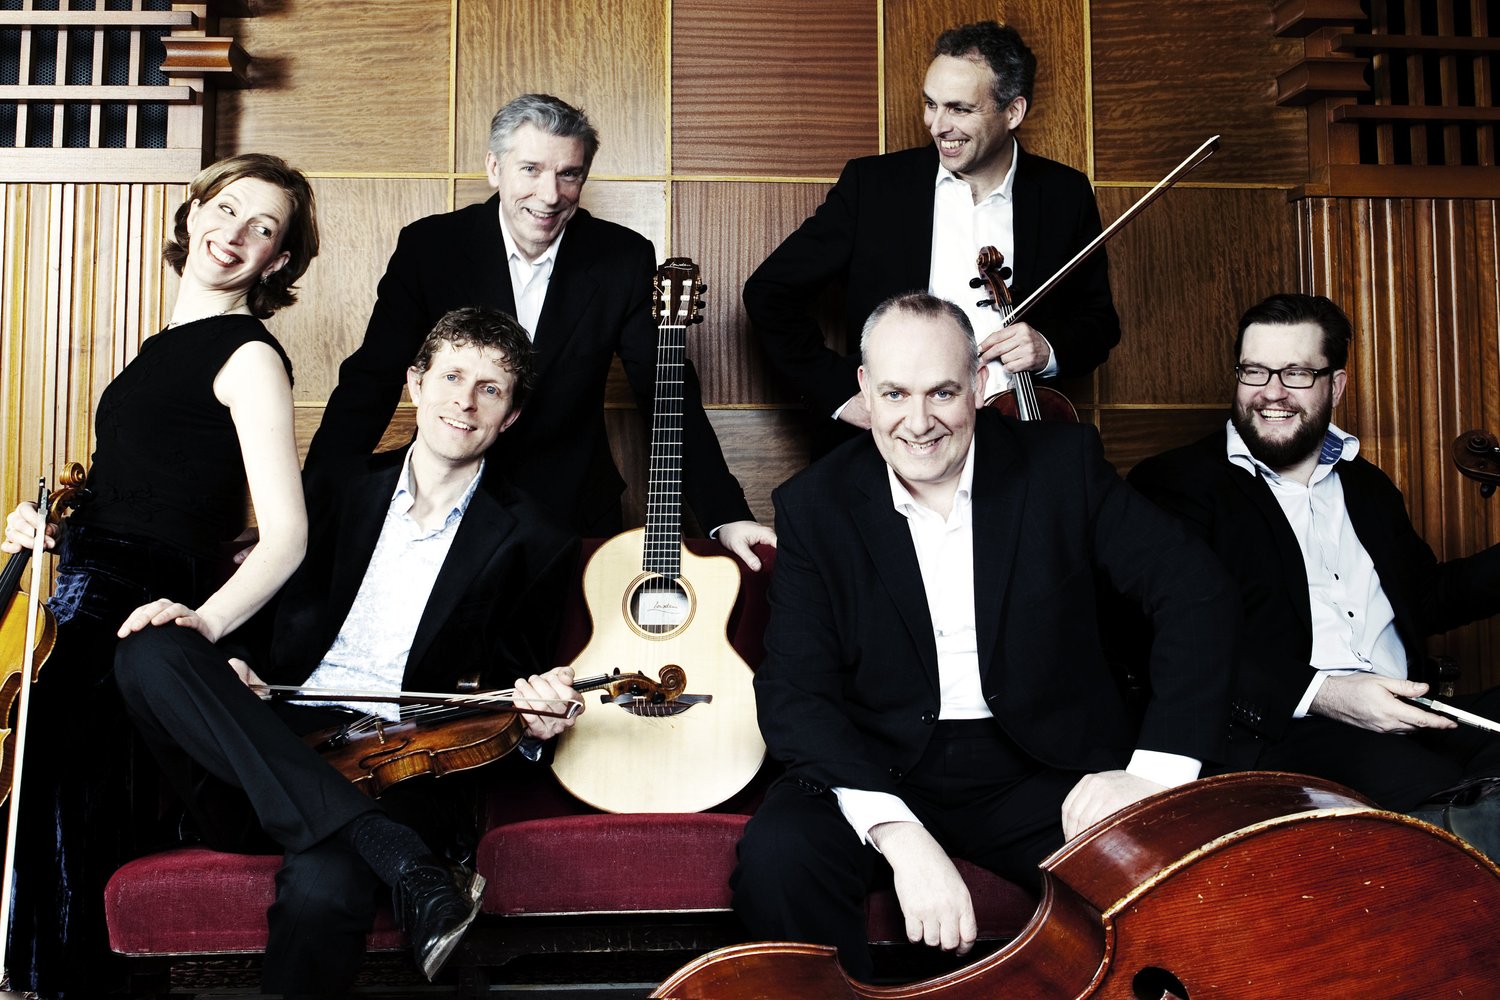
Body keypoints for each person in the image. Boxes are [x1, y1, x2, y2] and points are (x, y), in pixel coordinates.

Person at [731, 292, 1234, 981]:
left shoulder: (1060, 467)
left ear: (979, 383)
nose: (918, 422)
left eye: (942, 392)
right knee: (779, 859)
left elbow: (1197, 592)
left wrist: (1151, 775)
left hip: (1043, 766)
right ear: (865, 391)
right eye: (895, 394)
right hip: (879, 761)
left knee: (1169, 885)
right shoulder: (815, 504)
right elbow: (795, 691)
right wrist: (899, 833)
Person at [112, 306, 582, 998]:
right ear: (415, 384)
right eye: (452, 377)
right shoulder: (333, 493)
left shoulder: (535, 539)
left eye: (490, 389)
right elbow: (263, 608)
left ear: (509, 417)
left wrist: (538, 719)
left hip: (398, 767)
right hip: (267, 742)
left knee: (323, 887)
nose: (465, 401)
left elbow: (511, 687)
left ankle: (371, 838)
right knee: (147, 647)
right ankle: (400, 858)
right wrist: (236, 660)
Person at [0, 153, 317, 997]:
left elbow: (288, 536)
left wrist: (204, 624)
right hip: (83, 597)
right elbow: (140, 491)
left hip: (131, 613)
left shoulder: (250, 356)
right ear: (193, 212)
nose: (235, 233)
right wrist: (46, 525)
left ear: (278, 261)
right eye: (227, 208)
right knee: (46, 812)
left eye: (263, 228)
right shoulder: (159, 349)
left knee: (76, 823)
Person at [303, 93, 775, 567]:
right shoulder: (430, 246)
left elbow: (665, 389)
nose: (550, 195)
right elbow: (370, 380)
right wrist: (310, 510)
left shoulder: (623, 256)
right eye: (530, 169)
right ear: (495, 168)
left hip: (572, 511)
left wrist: (726, 514)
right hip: (446, 505)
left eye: (568, 174)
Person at [1128, 293, 1500, 856]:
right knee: (1448, 807)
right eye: (1255, 371)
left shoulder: (1367, 485)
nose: (1271, 392)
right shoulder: (1176, 485)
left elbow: (1423, 598)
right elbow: (1167, 637)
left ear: (1336, 385)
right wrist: (1325, 693)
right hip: (1285, 734)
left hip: (1411, 713)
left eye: (1297, 373)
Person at [743, 21, 1118, 449]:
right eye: (930, 104)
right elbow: (770, 292)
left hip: (1020, 433)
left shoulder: (1064, 194)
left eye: (959, 109)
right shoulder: (874, 187)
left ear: (1013, 112)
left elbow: (1098, 323)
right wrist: (840, 393)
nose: (937, 125)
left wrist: (1048, 349)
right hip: (899, 441)